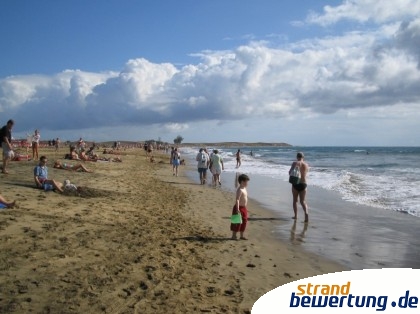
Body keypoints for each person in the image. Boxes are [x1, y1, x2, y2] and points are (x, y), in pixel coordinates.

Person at [289, 152, 309, 222]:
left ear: (297, 157)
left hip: (296, 184)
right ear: (303, 157)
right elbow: (306, 174)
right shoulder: (306, 165)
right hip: (304, 184)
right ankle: (306, 214)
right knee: (303, 201)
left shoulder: (295, 163)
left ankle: (296, 216)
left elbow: (290, 172)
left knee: (295, 201)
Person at [231, 174, 250, 240]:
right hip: (238, 208)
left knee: (244, 221)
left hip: (244, 208)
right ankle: (234, 236)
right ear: (242, 182)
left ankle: (241, 235)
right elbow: (237, 199)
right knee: (236, 222)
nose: (247, 183)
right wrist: (237, 208)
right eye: (246, 182)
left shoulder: (244, 188)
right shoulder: (240, 190)